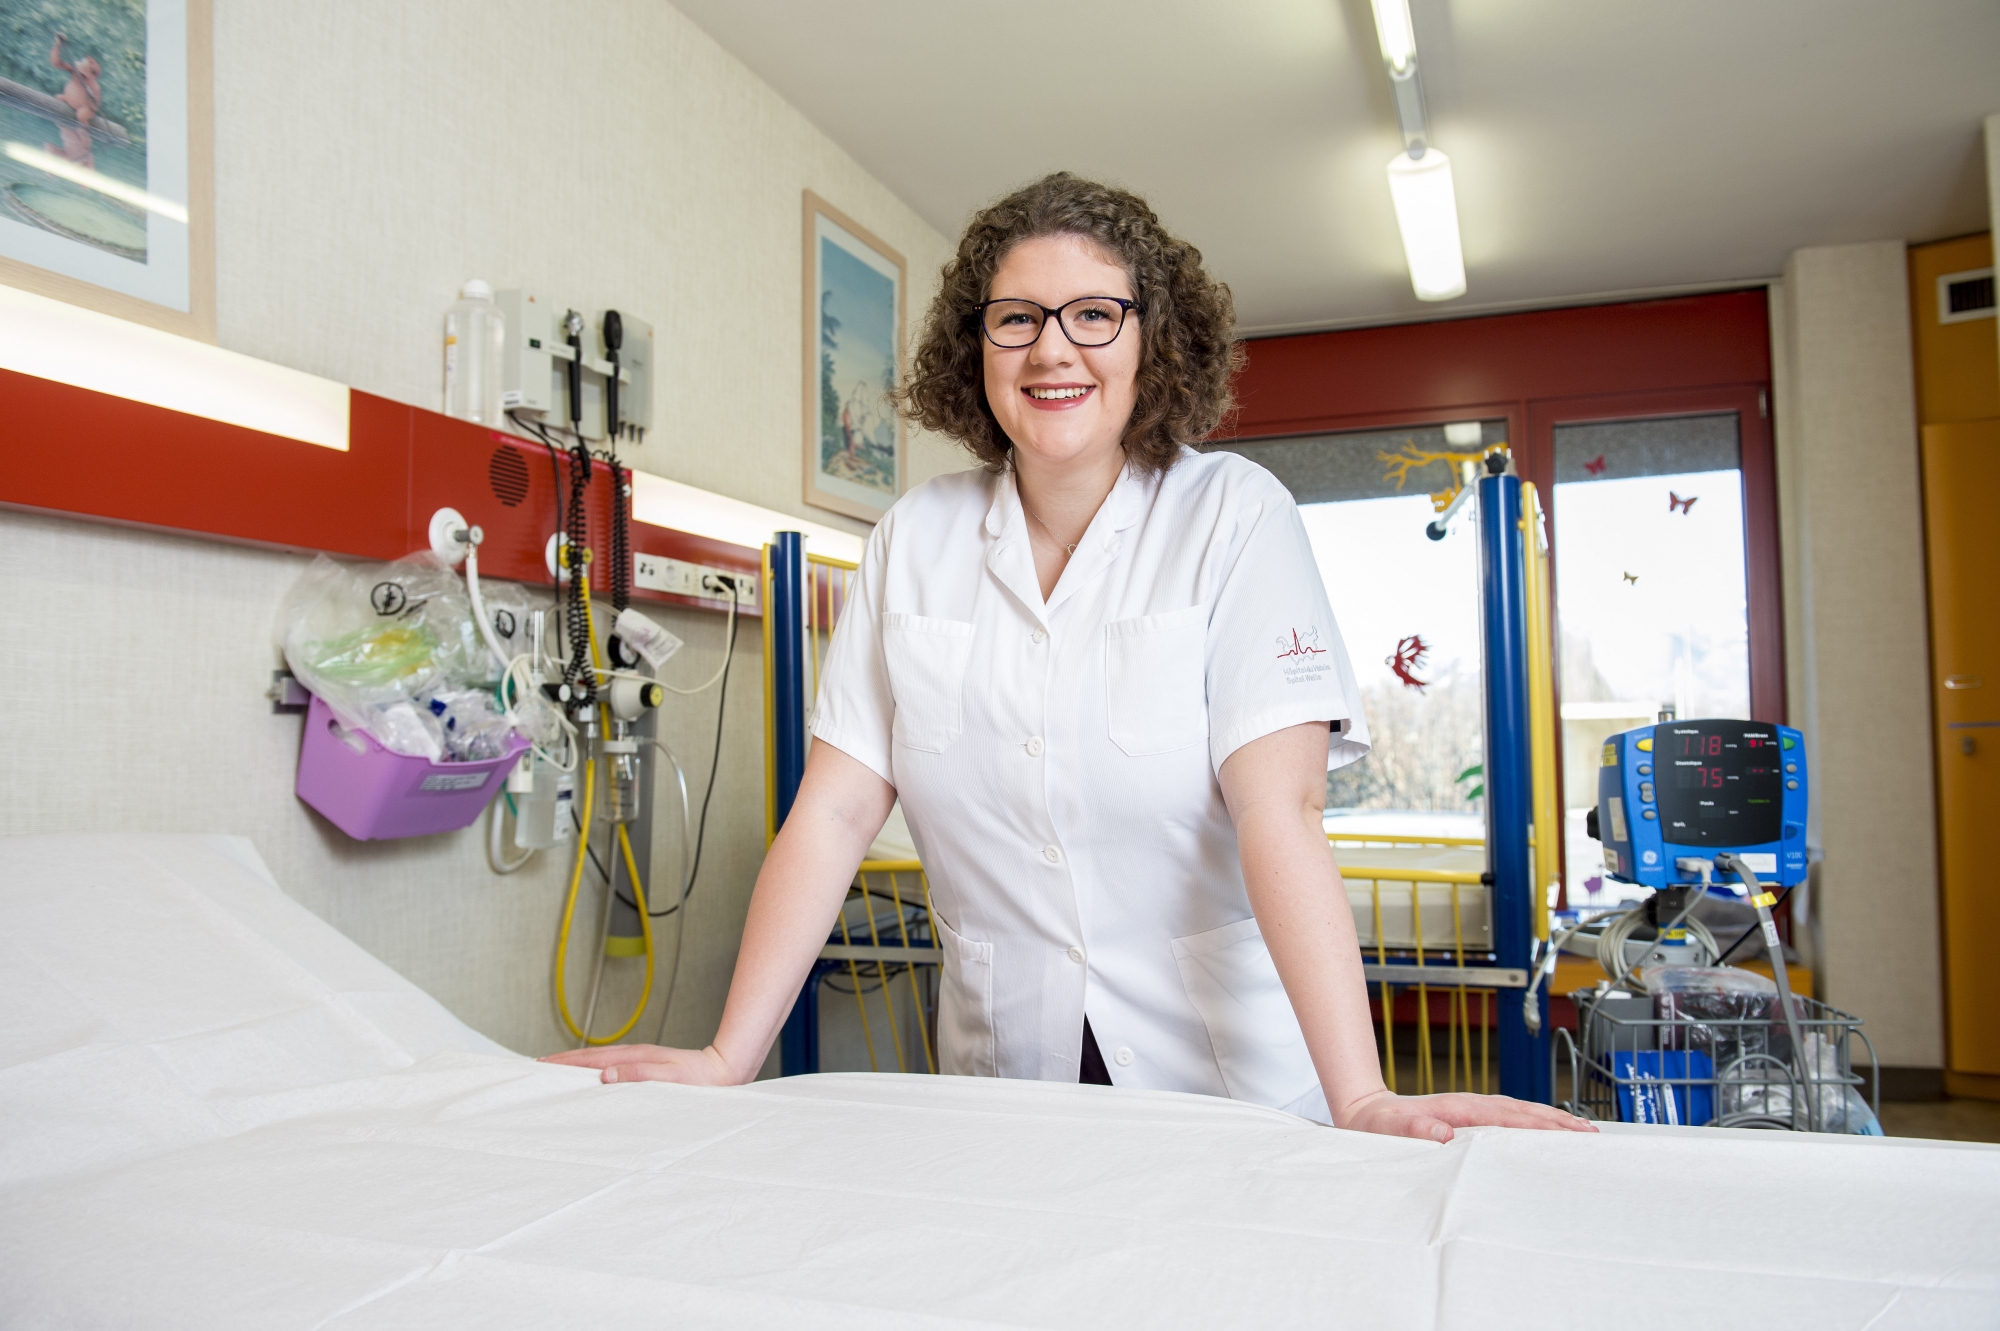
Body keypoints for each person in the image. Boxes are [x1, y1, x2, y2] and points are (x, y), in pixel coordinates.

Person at [547, 173, 1592, 1142]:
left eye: (1094, 314)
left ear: (1152, 341)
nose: (1053, 349)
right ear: (977, 348)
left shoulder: (1231, 517)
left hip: (1224, 1081)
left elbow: (1282, 810)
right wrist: (731, 1054)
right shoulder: (915, 538)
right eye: (1016, 319)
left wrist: (1360, 1092)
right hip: (1007, 1080)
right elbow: (832, 809)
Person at [46, 33, 102, 171]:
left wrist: (90, 107)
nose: (79, 65)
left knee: (82, 116)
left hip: (83, 109)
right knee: (57, 99)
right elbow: (56, 63)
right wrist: (58, 45)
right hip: (68, 101)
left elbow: (96, 105)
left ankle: (81, 126)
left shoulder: (93, 84)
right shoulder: (74, 70)